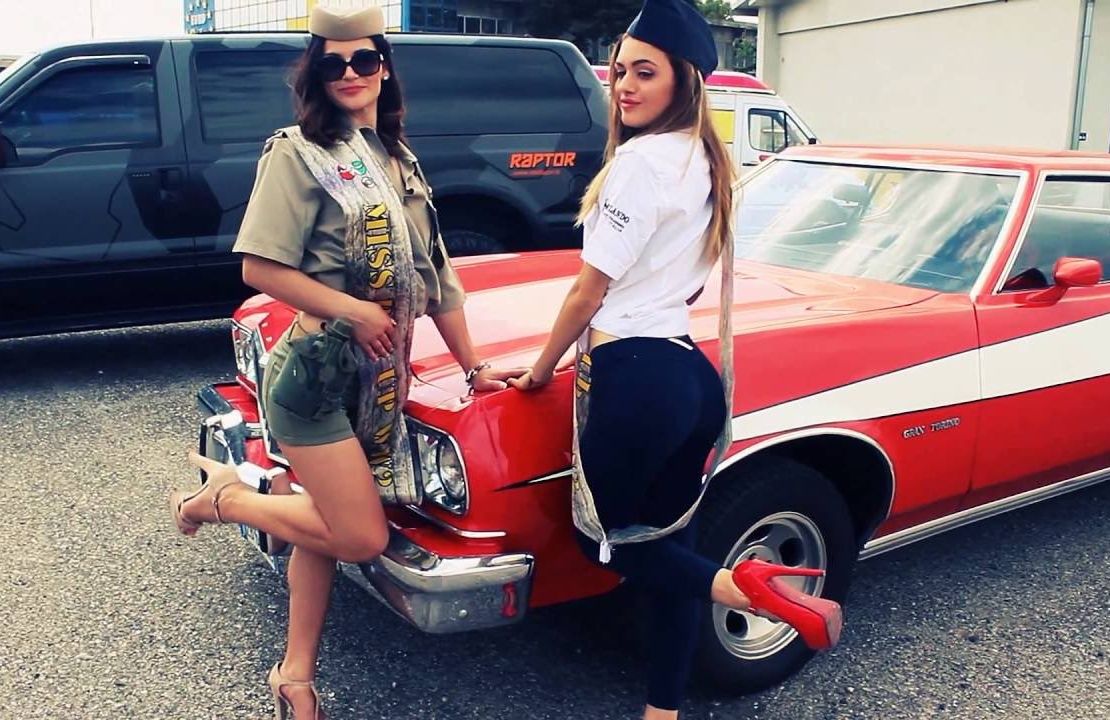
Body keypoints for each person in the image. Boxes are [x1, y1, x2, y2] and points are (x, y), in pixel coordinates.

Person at [167, 3, 521, 718]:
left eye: (364, 60)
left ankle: (295, 677)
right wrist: (353, 310)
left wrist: (473, 365)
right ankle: (224, 498)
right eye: (333, 64)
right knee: (359, 535)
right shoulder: (298, 153)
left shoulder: (397, 158)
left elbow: (436, 277)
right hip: (313, 382)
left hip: (376, 384)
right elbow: (259, 268)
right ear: (317, 75)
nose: (350, 74)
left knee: (322, 530)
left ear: (384, 68)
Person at [509, 1, 840, 717]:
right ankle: (663, 710)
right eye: (620, 70)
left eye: (644, 72)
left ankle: (744, 588)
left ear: (682, 80)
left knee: (605, 542)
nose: (624, 86)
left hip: (636, 380)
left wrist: (537, 371)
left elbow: (588, 291)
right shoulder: (707, 160)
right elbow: (685, 285)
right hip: (689, 376)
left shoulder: (638, 163)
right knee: (669, 551)